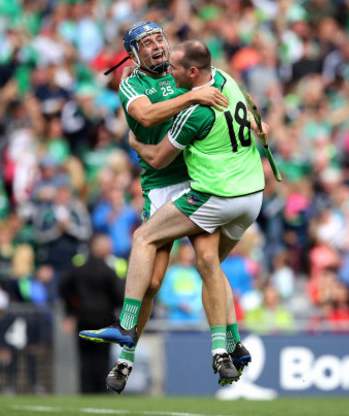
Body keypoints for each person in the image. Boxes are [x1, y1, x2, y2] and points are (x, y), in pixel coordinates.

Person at [81, 40, 266, 386]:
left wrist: (257, 120)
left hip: (197, 182)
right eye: (147, 43)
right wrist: (198, 97)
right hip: (164, 186)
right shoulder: (132, 81)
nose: (157, 49)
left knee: (207, 261)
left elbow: (238, 96)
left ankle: (221, 344)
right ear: (134, 53)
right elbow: (146, 115)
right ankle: (126, 358)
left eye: (158, 40)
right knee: (152, 282)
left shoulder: (192, 84)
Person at [59, 234, 124, 393]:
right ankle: (100, 391)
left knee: (85, 357)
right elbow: (119, 294)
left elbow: (63, 288)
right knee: (101, 358)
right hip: (104, 318)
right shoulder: (109, 271)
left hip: (84, 317)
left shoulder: (79, 270)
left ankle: (85, 390)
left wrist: (71, 309)